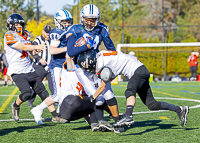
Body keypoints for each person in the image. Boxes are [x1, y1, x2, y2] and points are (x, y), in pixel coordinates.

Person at [77, 50, 190, 128]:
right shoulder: (101, 55)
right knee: (152, 105)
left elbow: (102, 86)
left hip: (137, 71)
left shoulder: (101, 65)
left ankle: (128, 116)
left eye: (87, 67)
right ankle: (180, 110)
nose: (88, 70)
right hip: (140, 69)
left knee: (129, 91)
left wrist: (93, 97)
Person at [66, 4, 123, 132]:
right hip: (80, 67)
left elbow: (111, 48)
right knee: (96, 96)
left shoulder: (102, 29)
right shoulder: (75, 30)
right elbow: (70, 52)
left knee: (108, 93)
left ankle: (118, 122)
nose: (90, 23)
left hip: (97, 65)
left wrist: (112, 65)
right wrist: (86, 46)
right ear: (82, 19)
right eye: (87, 20)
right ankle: (97, 121)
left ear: (97, 20)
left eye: (92, 20)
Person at [4, 13, 59, 122]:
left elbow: (28, 49)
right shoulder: (8, 35)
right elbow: (22, 46)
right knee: (26, 94)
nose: (19, 26)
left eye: (21, 24)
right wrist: (35, 46)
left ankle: (55, 115)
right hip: (17, 70)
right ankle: (15, 105)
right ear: (11, 25)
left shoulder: (26, 34)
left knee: (43, 92)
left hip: (28, 68)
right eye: (17, 24)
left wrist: (35, 50)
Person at [30, 9, 73, 124]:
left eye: (68, 21)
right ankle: (37, 109)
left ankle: (62, 114)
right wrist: (70, 49)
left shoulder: (70, 31)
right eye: (64, 22)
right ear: (58, 22)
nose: (67, 24)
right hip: (57, 67)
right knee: (57, 96)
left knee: (69, 92)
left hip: (66, 66)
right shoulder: (56, 32)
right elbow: (52, 51)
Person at [27, 25, 54, 107]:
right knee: (37, 84)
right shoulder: (37, 41)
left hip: (49, 66)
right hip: (39, 66)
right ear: (43, 32)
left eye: (49, 33)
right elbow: (31, 51)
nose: (48, 34)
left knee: (53, 84)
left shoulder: (52, 40)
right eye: (46, 32)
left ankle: (54, 99)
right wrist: (39, 59)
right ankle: (30, 100)